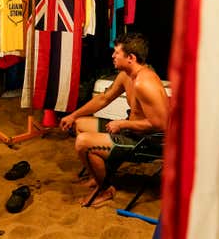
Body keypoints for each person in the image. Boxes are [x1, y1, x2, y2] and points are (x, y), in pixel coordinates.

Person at [59, 32, 169, 206]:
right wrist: (73, 115)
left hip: (144, 141)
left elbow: (161, 124)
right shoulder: (127, 75)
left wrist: (122, 123)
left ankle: (105, 190)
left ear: (131, 57)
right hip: (130, 131)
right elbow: (104, 98)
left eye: (116, 53)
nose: (112, 56)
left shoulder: (144, 83)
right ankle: (98, 178)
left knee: (82, 142)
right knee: (79, 124)